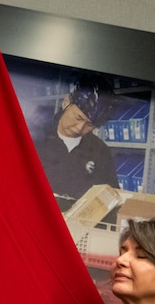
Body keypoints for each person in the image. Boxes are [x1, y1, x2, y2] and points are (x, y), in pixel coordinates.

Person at [34, 73, 118, 206]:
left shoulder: (100, 151)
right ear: (66, 102)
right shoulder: (33, 137)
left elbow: (111, 196)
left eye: (90, 124)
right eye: (79, 118)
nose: (80, 128)